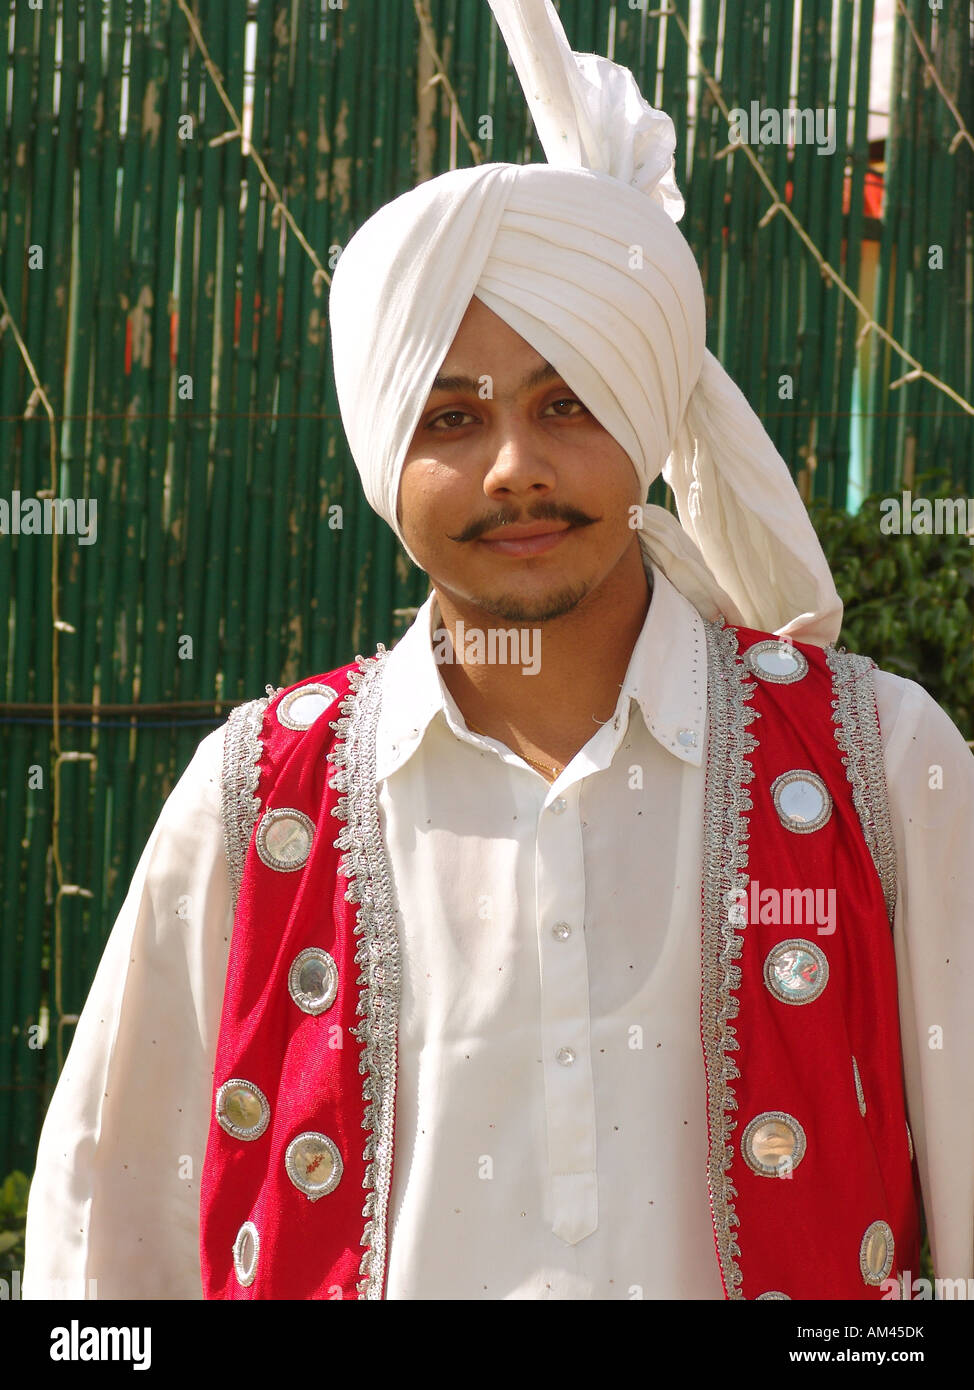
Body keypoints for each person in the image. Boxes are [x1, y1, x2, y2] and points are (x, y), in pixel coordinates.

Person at [23, 0, 974, 1300]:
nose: (515, 465)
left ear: (643, 415)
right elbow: (104, 1245)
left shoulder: (882, 765)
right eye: (451, 414)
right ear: (383, 453)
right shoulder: (253, 803)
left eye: (567, 401)